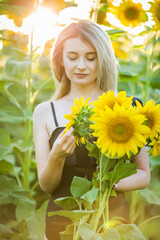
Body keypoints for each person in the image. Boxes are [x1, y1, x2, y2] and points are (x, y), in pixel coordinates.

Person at [33, 20, 150, 240]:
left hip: (112, 220)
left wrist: (107, 184)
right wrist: (57, 156)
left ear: (103, 59)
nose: (81, 66)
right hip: (63, 223)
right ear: (60, 59)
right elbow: (47, 186)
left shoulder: (126, 107)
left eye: (91, 57)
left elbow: (143, 175)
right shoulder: (45, 112)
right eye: (73, 57)